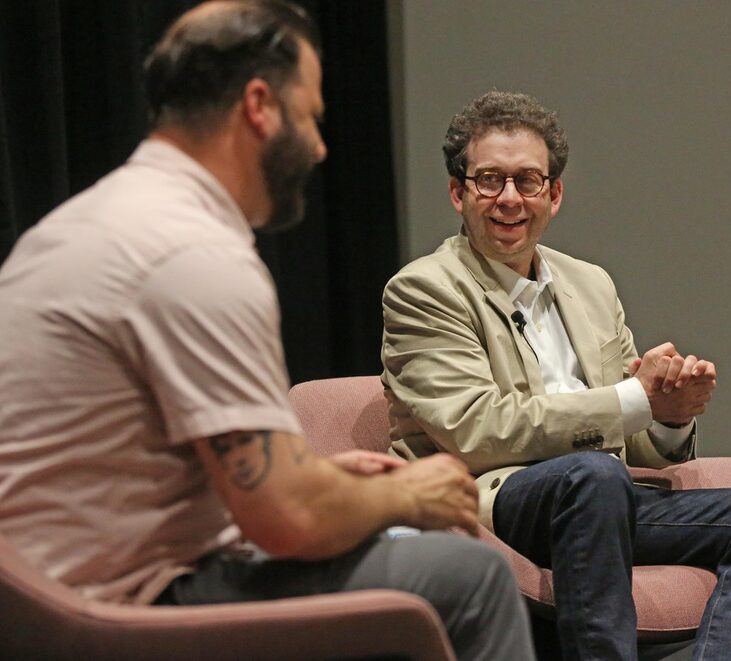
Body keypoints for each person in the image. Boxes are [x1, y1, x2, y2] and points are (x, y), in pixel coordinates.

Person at [0, 4, 536, 660]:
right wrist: (405, 490)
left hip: (38, 597)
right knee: (469, 575)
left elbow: (132, 463)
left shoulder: (78, 225)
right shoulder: (193, 252)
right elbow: (290, 519)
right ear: (260, 106)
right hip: (116, 609)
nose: (318, 146)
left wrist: (318, 476)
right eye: (310, 116)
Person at [381, 90, 731, 660]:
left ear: (553, 195)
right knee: (591, 476)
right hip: (501, 497)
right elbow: (475, 429)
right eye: (490, 180)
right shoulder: (425, 289)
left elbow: (634, 442)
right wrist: (632, 399)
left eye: (528, 181)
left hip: (603, 498)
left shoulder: (590, 283)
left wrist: (667, 418)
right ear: (459, 193)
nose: (509, 199)